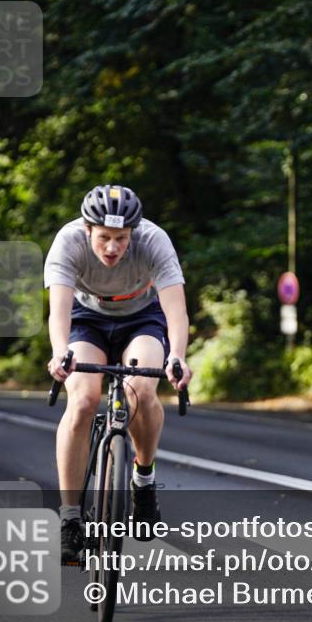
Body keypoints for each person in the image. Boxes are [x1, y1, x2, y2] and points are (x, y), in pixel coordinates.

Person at [44, 184, 192, 564]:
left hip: (141, 317)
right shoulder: (68, 241)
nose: (112, 248)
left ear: (133, 233)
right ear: (88, 229)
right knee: (83, 400)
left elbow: (175, 309)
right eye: (105, 238)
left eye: (121, 239)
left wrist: (177, 355)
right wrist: (60, 352)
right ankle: (71, 519)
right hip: (86, 320)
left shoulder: (154, 240)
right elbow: (58, 310)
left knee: (142, 388)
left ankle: (143, 482)